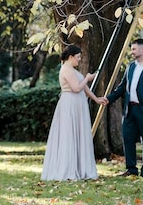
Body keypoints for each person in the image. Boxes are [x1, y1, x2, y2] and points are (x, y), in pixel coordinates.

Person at [103, 38, 143, 177]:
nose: (131, 52)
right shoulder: (130, 66)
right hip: (129, 110)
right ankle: (131, 169)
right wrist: (108, 99)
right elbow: (122, 88)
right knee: (128, 139)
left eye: (134, 49)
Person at [41, 45, 106, 181]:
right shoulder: (66, 69)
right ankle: (68, 169)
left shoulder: (72, 69)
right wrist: (87, 78)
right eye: (78, 57)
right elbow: (77, 88)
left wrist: (96, 99)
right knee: (69, 134)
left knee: (79, 133)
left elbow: (84, 88)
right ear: (71, 57)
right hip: (70, 104)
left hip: (77, 103)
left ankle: (80, 167)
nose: (79, 60)